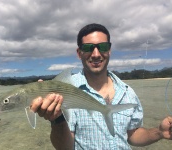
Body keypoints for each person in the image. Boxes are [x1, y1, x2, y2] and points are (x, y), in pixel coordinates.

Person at [30, 23, 172, 149]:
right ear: (79, 53)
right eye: (88, 48)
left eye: (103, 47)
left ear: (109, 50)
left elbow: (133, 135)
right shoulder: (63, 91)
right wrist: (57, 119)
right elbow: (66, 147)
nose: (96, 54)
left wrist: (160, 132)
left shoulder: (128, 92)